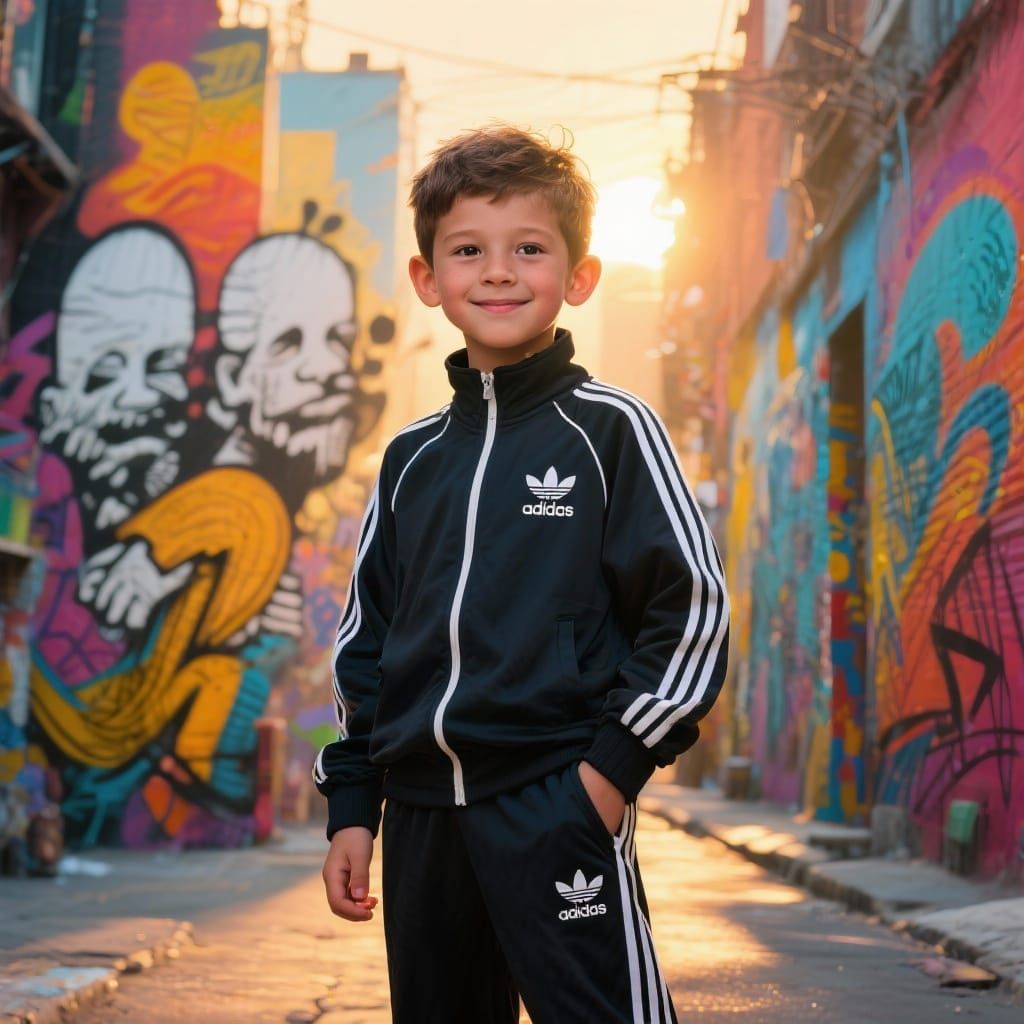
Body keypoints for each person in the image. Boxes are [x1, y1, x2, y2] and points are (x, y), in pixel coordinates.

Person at [315, 125, 730, 1024]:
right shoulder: (410, 460)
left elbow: (689, 613)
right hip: (422, 815)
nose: (498, 272)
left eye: (529, 249)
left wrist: (608, 774)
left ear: (577, 276)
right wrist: (355, 806)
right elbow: (367, 647)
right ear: (430, 280)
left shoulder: (611, 431)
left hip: (554, 796)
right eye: (469, 250)